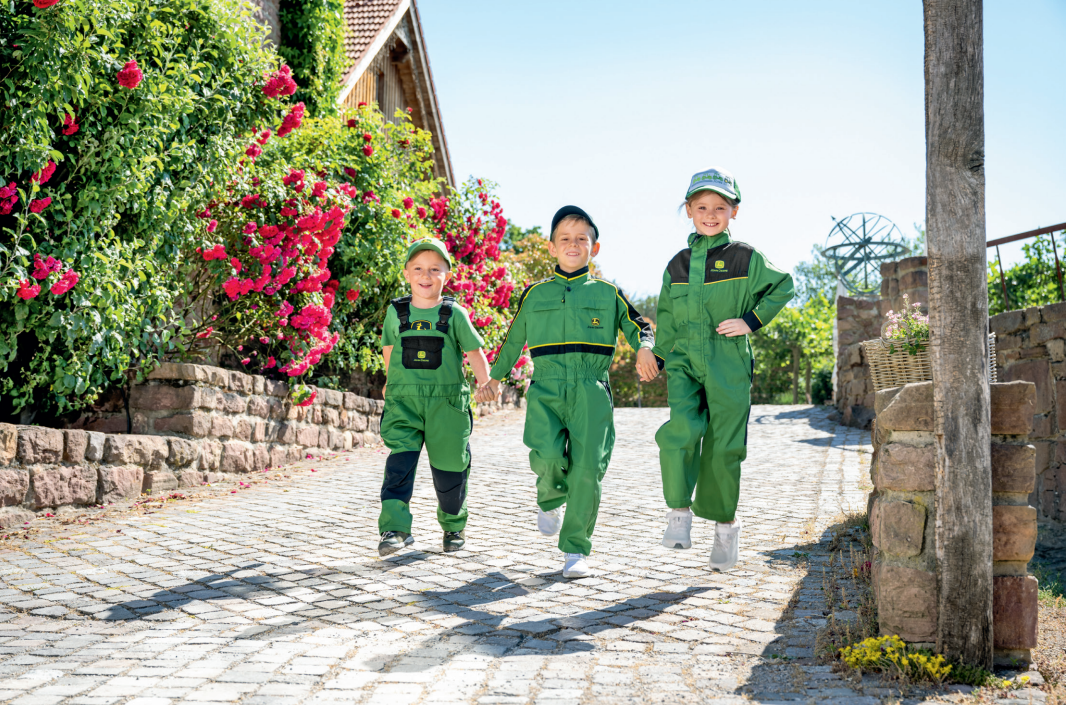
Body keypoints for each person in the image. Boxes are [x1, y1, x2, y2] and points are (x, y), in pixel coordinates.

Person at [475, 206, 659, 578]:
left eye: (581, 238)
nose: (573, 244)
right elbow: (513, 340)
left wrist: (645, 348)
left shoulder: (609, 293)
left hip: (591, 389)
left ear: (595, 247)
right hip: (545, 387)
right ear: (552, 247)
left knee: (587, 469)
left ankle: (576, 550)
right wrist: (494, 378)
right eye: (565, 238)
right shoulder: (535, 294)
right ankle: (549, 495)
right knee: (545, 455)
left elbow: (640, 326)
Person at [653, 168, 795, 570]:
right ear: (688, 210)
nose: (710, 214)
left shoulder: (745, 257)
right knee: (681, 429)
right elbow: (666, 316)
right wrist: (658, 354)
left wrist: (750, 321)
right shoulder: (677, 265)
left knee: (723, 445)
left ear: (734, 211)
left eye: (720, 207)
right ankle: (679, 512)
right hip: (684, 360)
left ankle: (725, 529)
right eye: (701, 207)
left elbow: (783, 285)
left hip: (727, 360)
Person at [377, 237, 491, 556]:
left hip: (447, 404)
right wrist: (390, 381)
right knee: (399, 464)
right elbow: (390, 348)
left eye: (434, 269)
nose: (425, 275)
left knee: (450, 467)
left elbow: (474, 351)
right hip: (404, 401)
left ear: (447, 275)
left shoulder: (454, 314)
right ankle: (395, 529)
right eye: (418, 269)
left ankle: (453, 526)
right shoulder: (395, 312)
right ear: (406, 273)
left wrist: (486, 383)